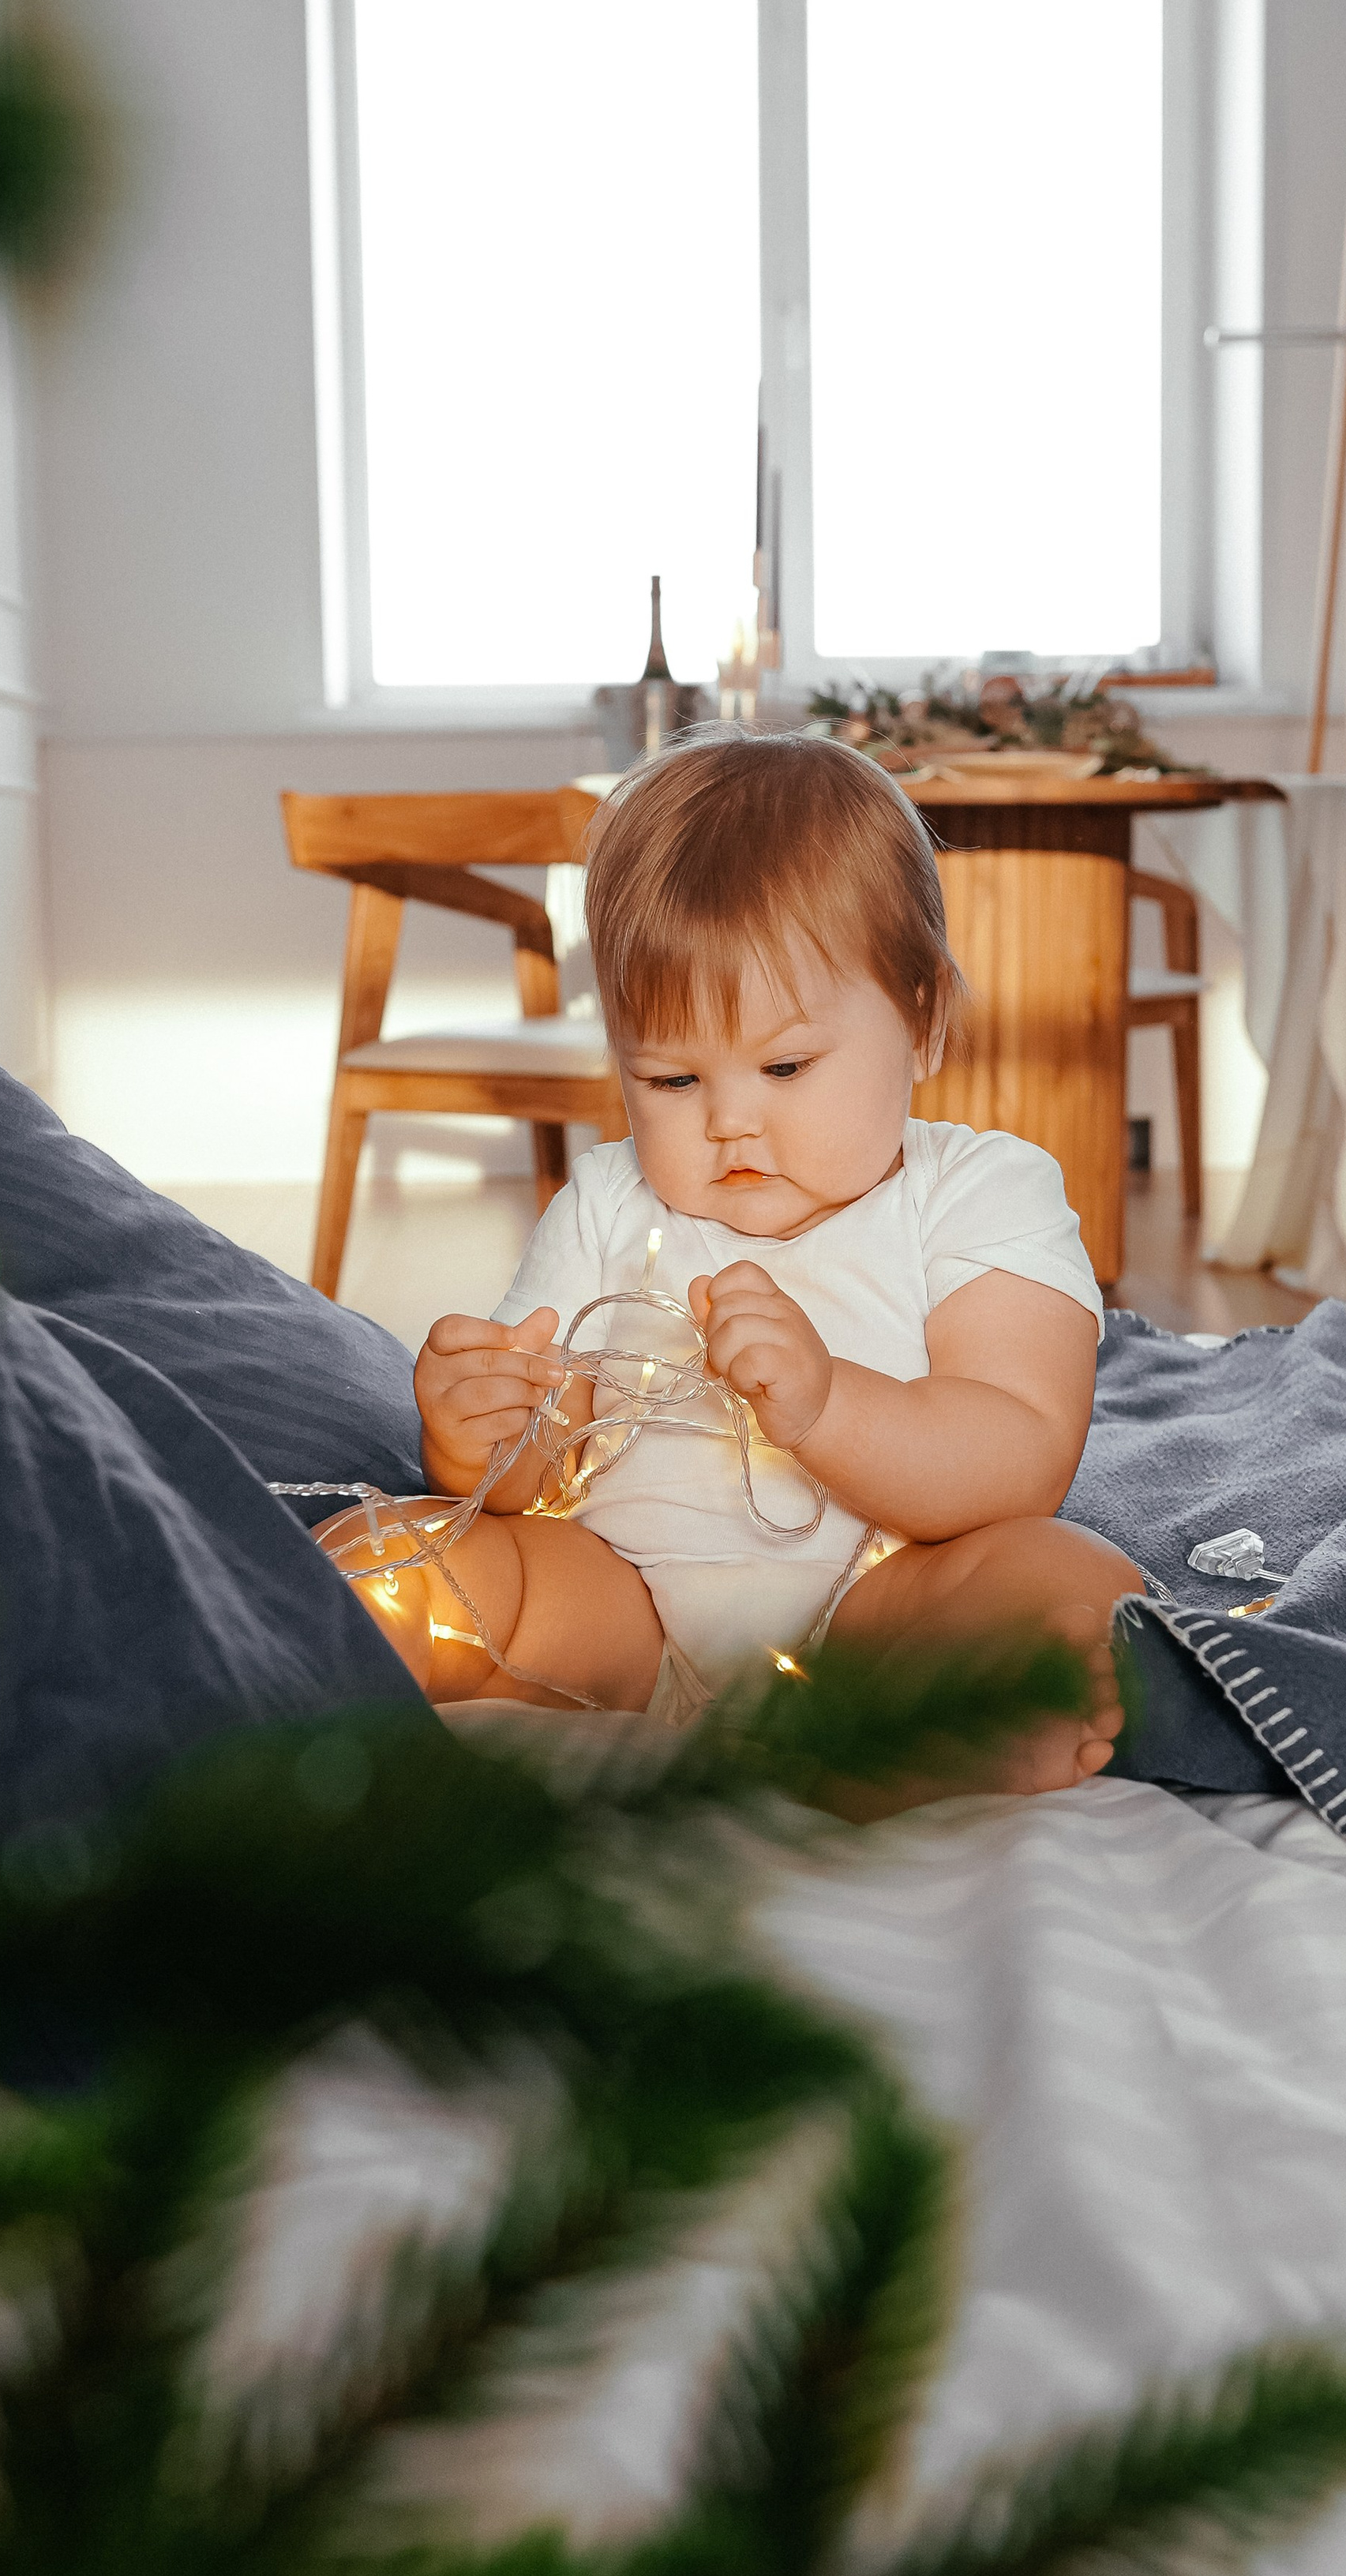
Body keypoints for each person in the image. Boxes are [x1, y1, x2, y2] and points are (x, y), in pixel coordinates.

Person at [334, 730, 1142, 1802]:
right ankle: (316, 1659)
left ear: (926, 1018)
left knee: (1063, 1580)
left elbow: (1022, 1450)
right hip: (626, 1612)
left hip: (874, 1612)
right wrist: (479, 1431)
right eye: (670, 1079)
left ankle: (909, 1738)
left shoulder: (982, 1190)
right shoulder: (611, 1201)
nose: (728, 1122)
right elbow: (533, 1482)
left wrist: (827, 1406)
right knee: (400, 1557)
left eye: (786, 1066)